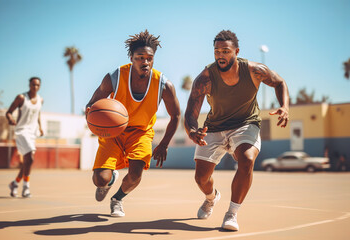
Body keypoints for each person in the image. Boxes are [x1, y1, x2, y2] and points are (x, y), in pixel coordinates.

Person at [184, 30, 289, 231]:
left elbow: (279, 82)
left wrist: (284, 106)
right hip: (215, 127)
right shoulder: (205, 78)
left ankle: (232, 214)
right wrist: (192, 131)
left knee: (247, 159)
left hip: (246, 123)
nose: (220, 55)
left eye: (225, 51)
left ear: (236, 51)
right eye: (216, 51)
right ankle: (211, 197)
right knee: (201, 178)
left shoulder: (254, 70)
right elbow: (190, 111)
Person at [85, 30, 180, 217]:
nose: (145, 62)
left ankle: (117, 199)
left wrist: (164, 144)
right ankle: (110, 178)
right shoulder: (115, 76)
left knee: (136, 174)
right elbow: (93, 102)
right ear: (131, 58)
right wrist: (91, 113)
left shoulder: (163, 84)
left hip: (141, 132)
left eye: (149, 58)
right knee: (99, 180)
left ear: (153, 59)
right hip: (113, 132)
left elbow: (176, 115)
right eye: (140, 57)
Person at [6, 77, 44, 198]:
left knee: (27, 161)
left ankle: (15, 183)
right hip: (22, 131)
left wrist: (40, 127)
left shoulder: (40, 100)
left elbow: (38, 114)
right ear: (29, 85)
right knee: (30, 159)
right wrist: (10, 118)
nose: (35, 87)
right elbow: (8, 111)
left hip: (32, 132)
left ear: (40, 86)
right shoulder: (21, 98)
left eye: (37, 85)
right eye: (33, 84)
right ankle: (26, 188)